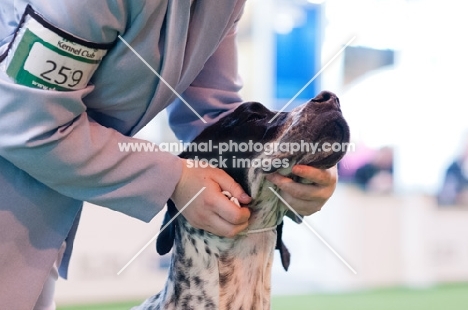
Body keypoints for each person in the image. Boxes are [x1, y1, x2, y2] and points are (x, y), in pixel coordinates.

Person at [0, 1, 338, 309]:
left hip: (39, 216)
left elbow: (211, 113)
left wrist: (301, 163)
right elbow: (24, 119)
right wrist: (175, 179)